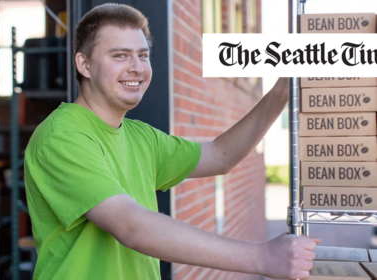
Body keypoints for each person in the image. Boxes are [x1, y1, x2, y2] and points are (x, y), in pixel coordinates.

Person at [24, 3, 319, 280]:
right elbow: (131, 225)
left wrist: (281, 92)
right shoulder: (62, 136)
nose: (137, 67)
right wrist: (262, 258)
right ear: (84, 65)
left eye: (143, 55)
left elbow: (220, 155)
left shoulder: (141, 137)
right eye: (120, 55)